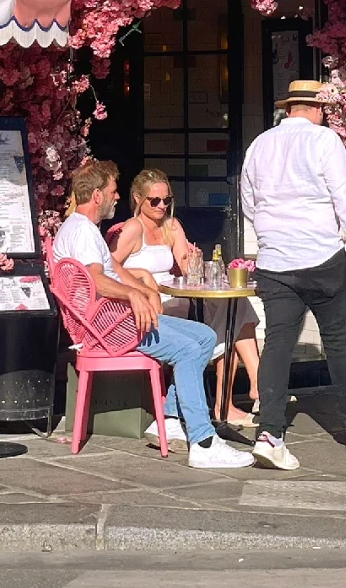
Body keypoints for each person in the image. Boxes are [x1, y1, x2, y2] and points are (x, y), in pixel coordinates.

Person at [52, 159, 253, 469]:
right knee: (187, 349)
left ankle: (171, 417)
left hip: (111, 319)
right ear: (96, 196)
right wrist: (134, 294)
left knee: (204, 335)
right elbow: (96, 279)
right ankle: (203, 441)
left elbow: (113, 268)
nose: (116, 197)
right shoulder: (83, 233)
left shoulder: (81, 229)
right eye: (113, 192)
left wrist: (143, 286)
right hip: (110, 328)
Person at [240, 79, 346, 471]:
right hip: (320, 254)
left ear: (289, 108)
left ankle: (270, 432)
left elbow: (249, 202)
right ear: (318, 109)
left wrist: (274, 233)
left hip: (275, 259)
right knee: (337, 341)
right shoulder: (324, 140)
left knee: (278, 342)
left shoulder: (259, 144)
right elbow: (345, 195)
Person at [111, 168, 260, 426]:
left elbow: (184, 263)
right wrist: (143, 276)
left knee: (236, 304)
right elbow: (108, 266)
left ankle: (253, 384)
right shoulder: (133, 229)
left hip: (175, 298)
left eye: (166, 200)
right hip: (151, 303)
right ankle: (233, 401)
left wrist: (193, 259)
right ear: (137, 198)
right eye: (154, 201)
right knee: (226, 320)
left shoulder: (171, 225)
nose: (161, 206)